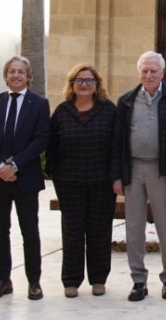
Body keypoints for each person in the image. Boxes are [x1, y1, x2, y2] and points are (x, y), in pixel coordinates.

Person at [0, 56, 52, 301]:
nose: (16, 75)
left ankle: (34, 282)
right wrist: (0, 166)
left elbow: (41, 139)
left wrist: (15, 165)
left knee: (30, 232)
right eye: (12, 71)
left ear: (28, 77)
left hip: (26, 178)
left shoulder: (39, 104)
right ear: (6, 76)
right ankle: (3, 280)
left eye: (21, 72)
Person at [114, 51, 166, 302]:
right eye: (144, 70)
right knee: (134, 226)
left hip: (162, 170)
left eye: (154, 70)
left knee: (165, 225)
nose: (149, 75)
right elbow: (117, 141)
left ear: (163, 73)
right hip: (133, 169)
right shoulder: (126, 101)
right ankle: (138, 280)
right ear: (139, 73)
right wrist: (117, 176)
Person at [46, 63, 119, 298]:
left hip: (102, 182)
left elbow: (117, 147)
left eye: (89, 80)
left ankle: (98, 279)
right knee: (72, 231)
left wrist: (116, 177)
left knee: (99, 231)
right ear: (72, 84)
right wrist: (55, 174)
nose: (84, 84)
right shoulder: (62, 111)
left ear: (97, 84)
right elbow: (51, 146)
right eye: (79, 80)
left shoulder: (109, 111)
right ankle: (71, 280)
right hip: (69, 181)